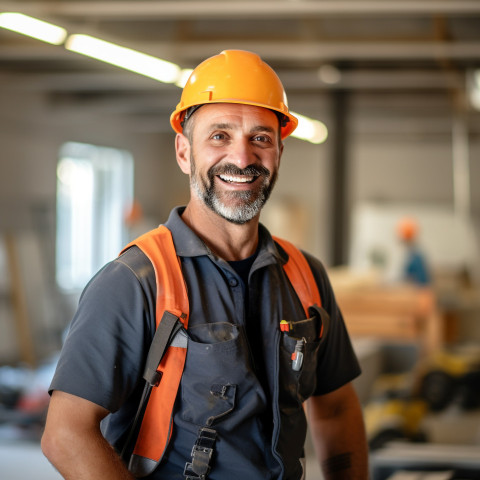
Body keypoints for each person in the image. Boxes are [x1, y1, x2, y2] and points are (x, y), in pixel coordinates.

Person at [41, 50, 369, 479]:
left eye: (261, 138)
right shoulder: (135, 281)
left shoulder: (305, 276)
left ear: (280, 152)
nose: (243, 157)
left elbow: (337, 408)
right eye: (219, 136)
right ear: (183, 152)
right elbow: (66, 434)